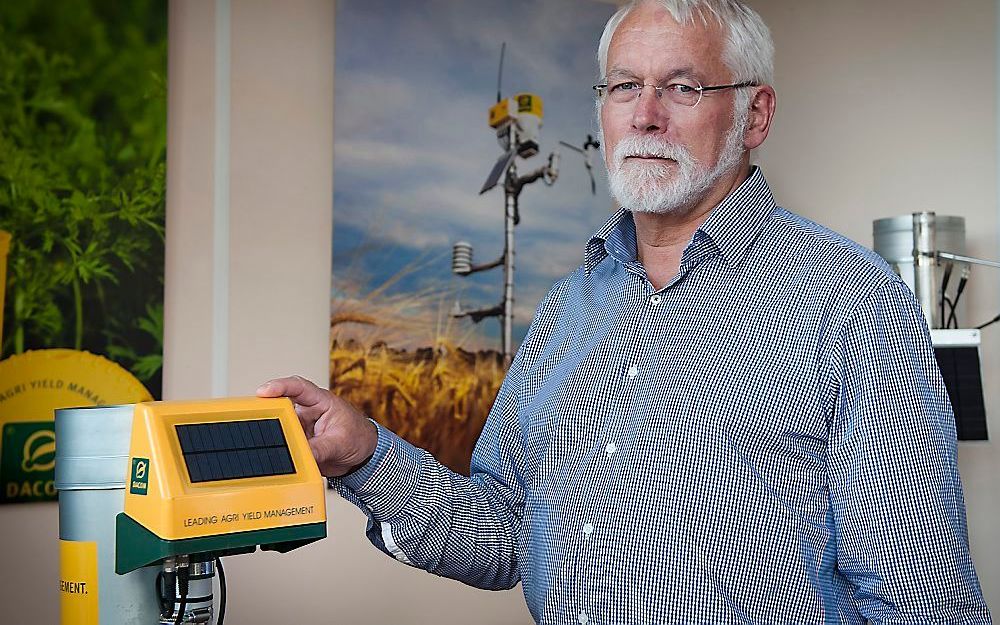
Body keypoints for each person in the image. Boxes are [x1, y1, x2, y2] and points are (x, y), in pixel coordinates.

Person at [258, 0, 991, 622]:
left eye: (682, 87)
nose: (644, 116)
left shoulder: (852, 301)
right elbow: (505, 535)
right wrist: (366, 454)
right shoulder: (566, 311)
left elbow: (921, 600)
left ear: (755, 113)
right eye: (623, 86)